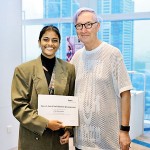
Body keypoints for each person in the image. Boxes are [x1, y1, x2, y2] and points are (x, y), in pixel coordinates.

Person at [70, 7, 133, 150]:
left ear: (97, 26)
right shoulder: (76, 57)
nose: (83, 29)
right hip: (82, 140)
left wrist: (124, 130)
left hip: (107, 140)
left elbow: (125, 93)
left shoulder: (112, 54)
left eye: (88, 24)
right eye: (79, 25)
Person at [11, 25, 75, 150]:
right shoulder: (23, 70)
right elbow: (19, 107)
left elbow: (72, 100)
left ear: (59, 43)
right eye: (46, 39)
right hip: (33, 138)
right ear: (39, 42)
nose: (50, 43)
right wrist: (45, 123)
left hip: (58, 139)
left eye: (54, 40)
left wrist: (69, 129)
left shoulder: (69, 69)